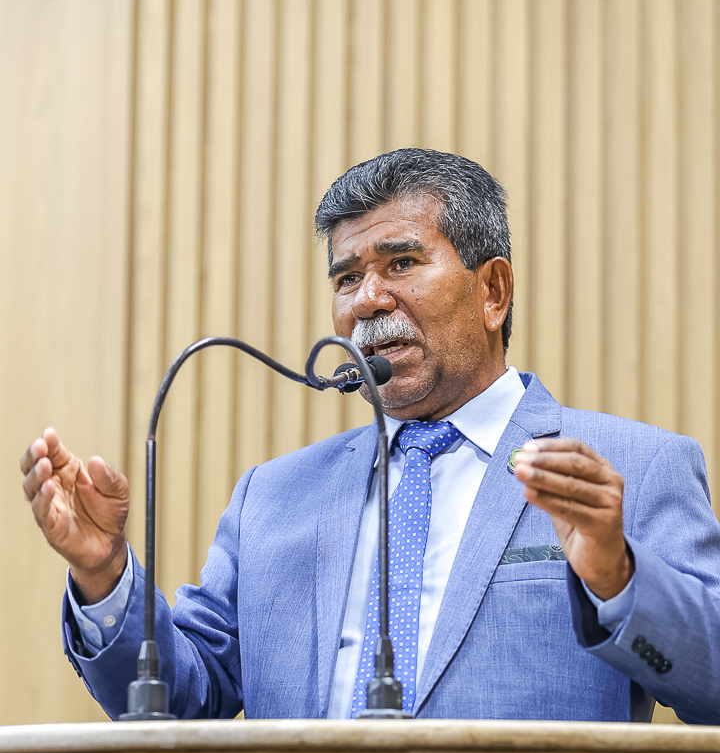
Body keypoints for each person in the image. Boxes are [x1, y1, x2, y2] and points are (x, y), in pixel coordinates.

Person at [20, 149, 720, 723]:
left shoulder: (631, 468)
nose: (366, 300)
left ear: (493, 292)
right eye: (347, 277)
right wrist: (103, 575)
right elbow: (183, 699)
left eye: (401, 263)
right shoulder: (272, 498)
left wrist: (617, 576)